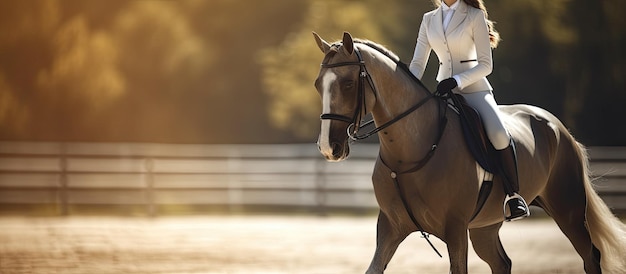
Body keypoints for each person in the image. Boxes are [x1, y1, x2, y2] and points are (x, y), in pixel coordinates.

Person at [409, 0, 530, 221]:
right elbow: (418, 63)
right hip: (444, 92)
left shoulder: (474, 16)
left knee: (498, 134)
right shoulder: (428, 20)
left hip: (474, 89)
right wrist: (407, 89)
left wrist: (457, 80)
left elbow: (486, 64)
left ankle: (513, 195)